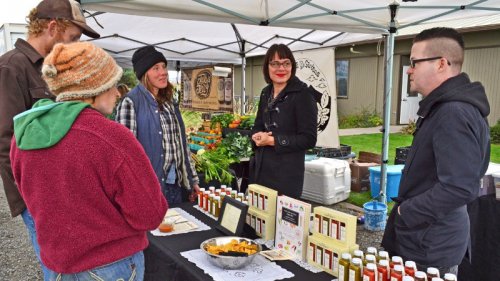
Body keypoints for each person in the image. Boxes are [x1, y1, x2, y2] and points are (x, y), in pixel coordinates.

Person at [10, 41, 168, 280]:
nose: (117, 92)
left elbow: (31, 199)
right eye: (113, 84)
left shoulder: (24, 135)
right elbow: (149, 214)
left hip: (57, 267)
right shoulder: (111, 137)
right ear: (94, 86)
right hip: (110, 267)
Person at [0, 0, 99, 277]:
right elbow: (6, 144)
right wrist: (35, 200)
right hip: (42, 200)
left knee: (74, 270)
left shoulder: (52, 68)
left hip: (65, 193)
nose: (75, 45)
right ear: (53, 27)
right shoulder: (11, 67)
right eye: (73, 38)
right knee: (59, 271)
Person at [381, 27, 490, 276]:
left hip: (429, 244)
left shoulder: (454, 113)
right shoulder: (443, 108)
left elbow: (459, 187)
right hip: (423, 235)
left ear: (441, 64)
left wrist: (405, 211)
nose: (409, 69)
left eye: (414, 62)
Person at [116, 46, 200, 204]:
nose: (163, 72)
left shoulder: (169, 102)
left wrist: (192, 180)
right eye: (156, 68)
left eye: (164, 66)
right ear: (144, 74)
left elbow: (182, 146)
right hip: (149, 190)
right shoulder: (131, 102)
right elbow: (124, 154)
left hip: (175, 186)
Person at [250, 43, 317, 199]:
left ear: (292, 66)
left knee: (282, 221)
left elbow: (309, 139)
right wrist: (256, 136)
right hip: (262, 170)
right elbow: (258, 124)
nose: (281, 68)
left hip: (287, 175)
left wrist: (273, 141)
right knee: (261, 218)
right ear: (267, 67)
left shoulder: (303, 94)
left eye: (286, 63)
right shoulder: (266, 92)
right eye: (275, 64)